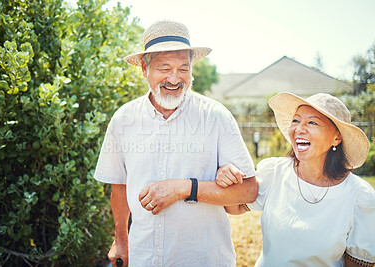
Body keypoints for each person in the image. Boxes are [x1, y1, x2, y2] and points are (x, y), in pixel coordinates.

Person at [94, 20, 258, 267]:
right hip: (144, 258)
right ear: (144, 69)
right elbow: (119, 185)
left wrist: (184, 187)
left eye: (183, 68)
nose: (174, 78)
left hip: (204, 259)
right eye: (164, 68)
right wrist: (120, 240)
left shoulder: (216, 116)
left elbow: (248, 190)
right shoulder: (124, 119)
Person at [216, 92, 375, 266]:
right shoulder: (275, 172)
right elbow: (235, 207)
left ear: (337, 137)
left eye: (312, 122)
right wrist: (228, 176)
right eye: (296, 120)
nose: (299, 129)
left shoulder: (359, 196)